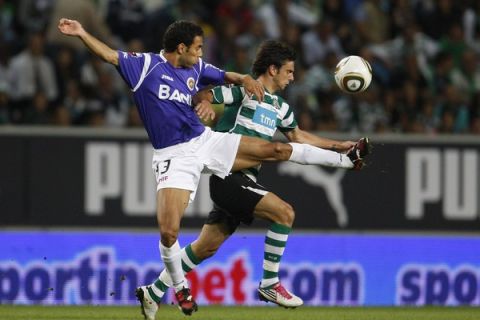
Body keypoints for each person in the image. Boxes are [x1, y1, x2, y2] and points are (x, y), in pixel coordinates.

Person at [58, 19, 369, 316]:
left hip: (205, 141)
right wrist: (82, 32)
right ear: (181, 48)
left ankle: (153, 292)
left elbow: (226, 78)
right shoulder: (146, 66)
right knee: (169, 232)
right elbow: (110, 55)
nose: (202, 53)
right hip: (175, 156)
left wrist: (341, 145)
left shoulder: (206, 71)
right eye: (198, 47)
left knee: (210, 241)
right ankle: (182, 288)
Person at [135, 40, 370, 319]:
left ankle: (154, 290)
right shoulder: (244, 92)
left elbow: (299, 137)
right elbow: (205, 95)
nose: (292, 77)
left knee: (206, 246)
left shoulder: (282, 108)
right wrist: (206, 105)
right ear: (273, 69)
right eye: (289, 71)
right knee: (284, 213)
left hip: (245, 179)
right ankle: (270, 283)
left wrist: (338, 144)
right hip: (229, 175)